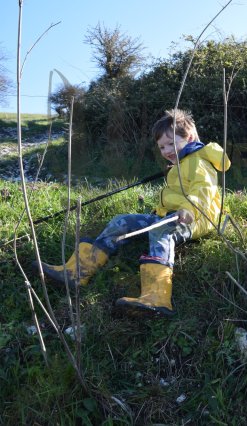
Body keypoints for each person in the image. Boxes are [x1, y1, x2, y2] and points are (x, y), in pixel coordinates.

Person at [38, 109, 230, 317]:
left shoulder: (198, 163)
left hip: (195, 218)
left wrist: (188, 210)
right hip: (170, 214)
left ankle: (157, 297)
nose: (166, 150)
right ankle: (78, 271)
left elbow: (203, 191)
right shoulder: (182, 163)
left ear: (189, 137)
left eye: (170, 143)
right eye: (162, 146)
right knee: (123, 221)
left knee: (162, 231)